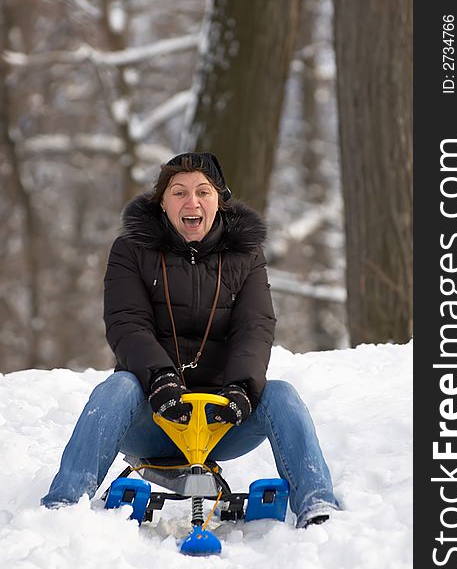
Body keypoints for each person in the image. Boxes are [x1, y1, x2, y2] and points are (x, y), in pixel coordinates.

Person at [41, 152, 339, 528]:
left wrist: (242, 389)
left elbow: (255, 327)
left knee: (281, 394)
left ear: (219, 200)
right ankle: (63, 507)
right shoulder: (131, 251)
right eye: (178, 192)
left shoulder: (245, 257)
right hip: (153, 418)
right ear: (162, 203)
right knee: (117, 387)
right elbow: (126, 323)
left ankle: (317, 507)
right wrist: (161, 379)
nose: (191, 201)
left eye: (203, 191)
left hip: (220, 419)